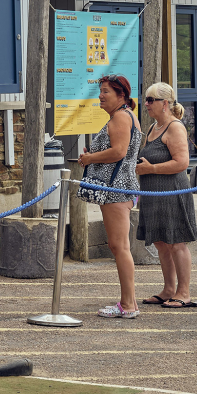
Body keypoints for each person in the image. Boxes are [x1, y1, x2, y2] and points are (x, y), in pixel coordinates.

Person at [78, 74, 143, 318]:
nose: (101, 96)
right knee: (120, 245)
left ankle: (127, 305)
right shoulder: (127, 116)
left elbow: (118, 152)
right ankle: (129, 302)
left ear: (121, 95)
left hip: (116, 188)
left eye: (106, 91)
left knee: (119, 246)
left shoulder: (119, 118)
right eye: (101, 91)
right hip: (121, 186)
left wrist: (89, 158)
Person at [135, 83, 197, 308]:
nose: (146, 104)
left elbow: (182, 163)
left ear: (165, 104)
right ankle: (168, 289)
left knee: (176, 243)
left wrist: (151, 169)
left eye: (151, 99)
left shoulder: (175, 127)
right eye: (146, 99)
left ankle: (184, 292)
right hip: (154, 194)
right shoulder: (153, 127)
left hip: (172, 191)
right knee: (162, 242)